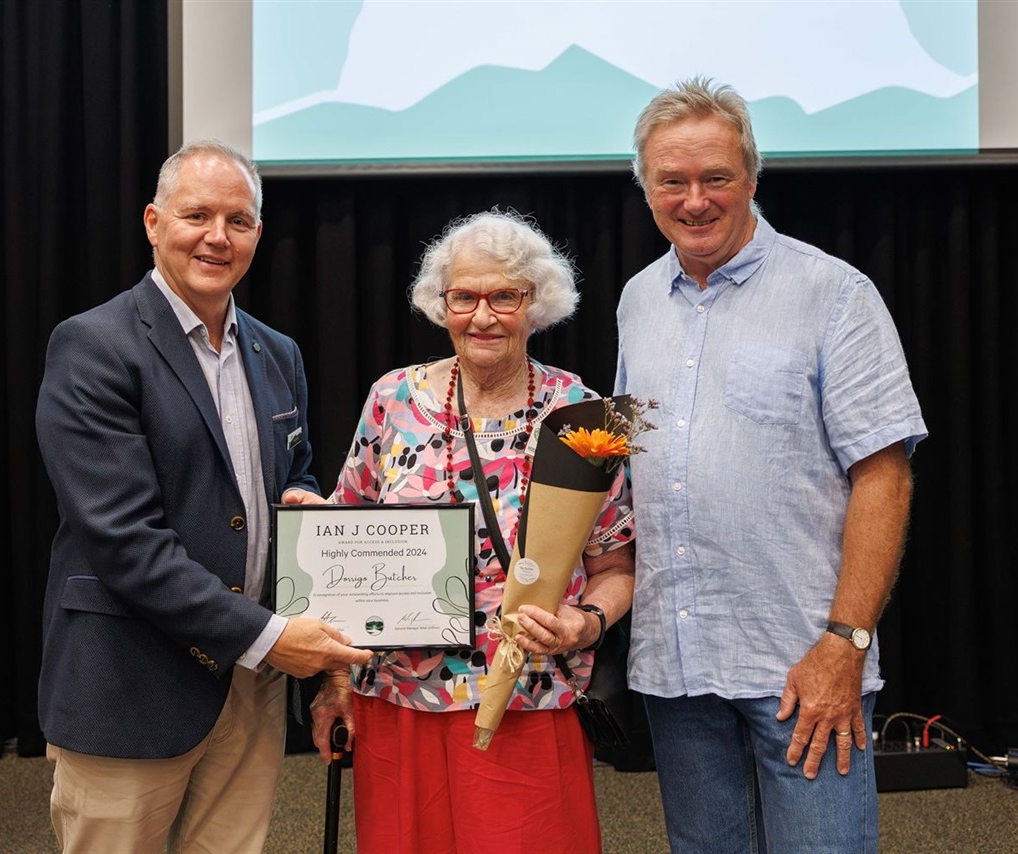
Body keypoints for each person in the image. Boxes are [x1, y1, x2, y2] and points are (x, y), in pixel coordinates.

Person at [615, 78, 928, 852]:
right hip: (677, 664)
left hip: (800, 664)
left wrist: (844, 645)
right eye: (672, 181)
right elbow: (630, 468)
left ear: (753, 178)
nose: (695, 199)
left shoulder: (835, 295)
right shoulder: (637, 301)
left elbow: (883, 476)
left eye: (716, 177)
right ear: (646, 188)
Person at [34, 138, 372, 853]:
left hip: (248, 689)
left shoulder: (277, 352)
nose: (218, 237)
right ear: (154, 222)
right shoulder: (93, 346)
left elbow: (294, 475)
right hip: (133, 682)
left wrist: (305, 511)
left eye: (239, 220)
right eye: (197, 215)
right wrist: (275, 638)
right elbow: (125, 543)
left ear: (257, 232)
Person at [312, 209, 636, 853]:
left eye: (503, 296)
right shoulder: (393, 399)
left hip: (526, 698)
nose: (482, 315)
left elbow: (617, 565)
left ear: (536, 302)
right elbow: (340, 548)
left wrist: (585, 624)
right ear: (442, 303)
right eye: (464, 296)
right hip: (399, 701)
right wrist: (333, 687)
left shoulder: (581, 413)